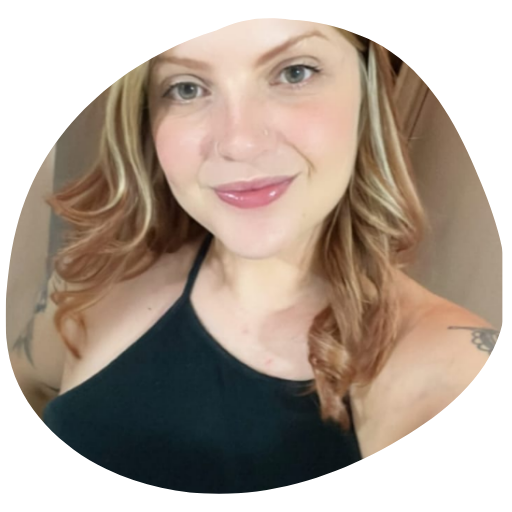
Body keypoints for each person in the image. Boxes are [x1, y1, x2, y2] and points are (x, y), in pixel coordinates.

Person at [42, 19, 499, 493]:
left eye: (294, 73)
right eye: (187, 88)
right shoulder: (107, 277)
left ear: (367, 91)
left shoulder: (445, 364)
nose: (239, 143)